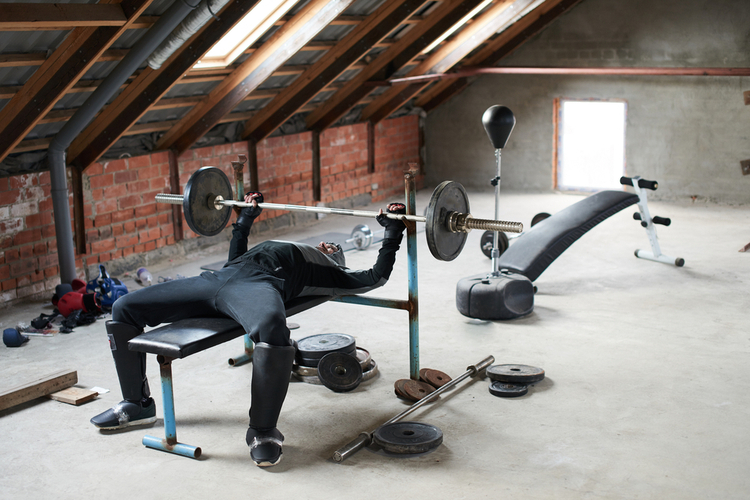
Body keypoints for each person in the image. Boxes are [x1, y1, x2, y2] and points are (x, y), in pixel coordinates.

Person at [90, 191, 407, 467]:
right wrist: (245, 218)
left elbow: (375, 277)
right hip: (217, 279)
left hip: (258, 286)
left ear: (338, 260)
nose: (328, 245)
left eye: (333, 248)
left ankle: (263, 431)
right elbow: (234, 258)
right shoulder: (290, 246)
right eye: (328, 245)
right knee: (123, 307)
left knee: (272, 327)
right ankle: (137, 404)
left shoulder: (332, 274)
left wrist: (392, 232)